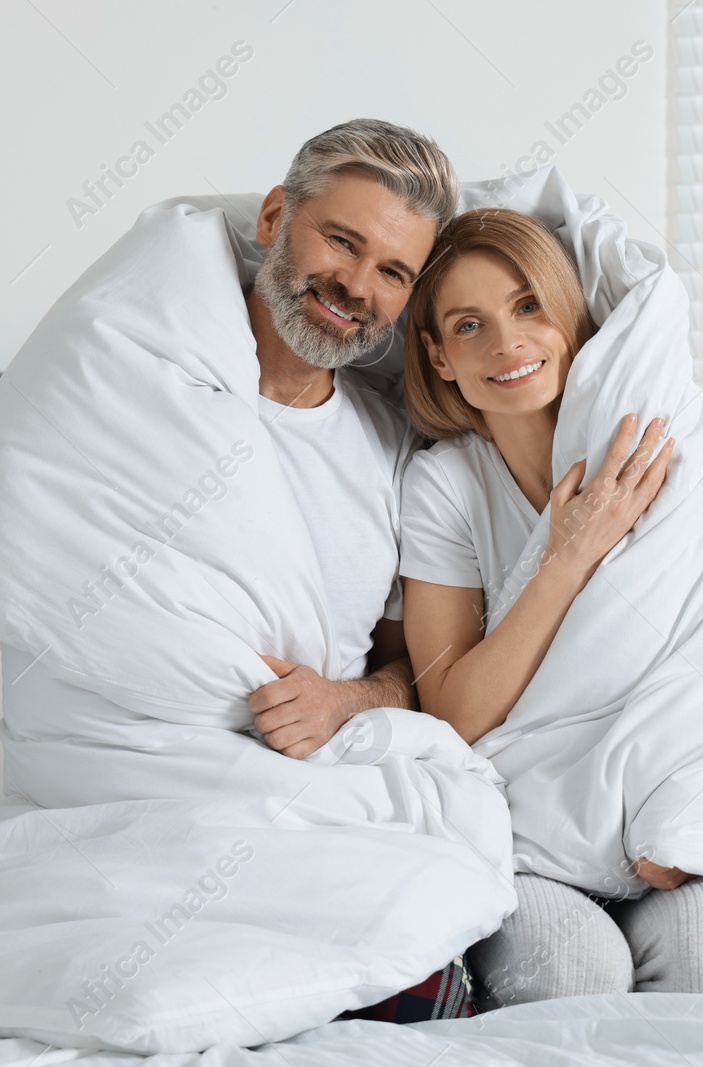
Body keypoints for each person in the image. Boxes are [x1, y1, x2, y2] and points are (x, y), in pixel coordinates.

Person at [396, 208, 703, 1006]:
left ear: (572, 317)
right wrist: (567, 554)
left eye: (528, 306)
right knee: (575, 974)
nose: (507, 344)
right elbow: (455, 713)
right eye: (469, 325)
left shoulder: (686, 453)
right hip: (532, 834)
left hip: (677, 828)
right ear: (438, 356)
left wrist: (700, 818)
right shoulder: (446, 487)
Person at [239, 118, 445, 758]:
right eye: (341, 241)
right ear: (275, 218)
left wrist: (343, 700)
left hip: (317, 784)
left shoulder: (395, 449)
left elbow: (420, 672)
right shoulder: (141, 389)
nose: (356, 287)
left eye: (393, 272)